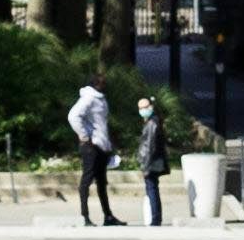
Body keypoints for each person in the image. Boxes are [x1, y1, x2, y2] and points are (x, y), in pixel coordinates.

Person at [70, 81, 124, 227]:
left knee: (101, 183)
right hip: (91, 147)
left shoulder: (100, 98)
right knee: (86, 181)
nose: (104, 83)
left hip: (101, 147)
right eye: (100, 81)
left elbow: (101, 125)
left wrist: (108, 145)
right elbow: (73, 116)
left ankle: (108, 216)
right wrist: (84, 135)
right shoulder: (89, 98)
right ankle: (85, 216)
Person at [137, 94, 169, 225]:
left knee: (152, 189)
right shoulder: (155, 121)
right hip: (154, 161)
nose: (142, 110)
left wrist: (146, 165)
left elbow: (150, 146)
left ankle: (155, 218)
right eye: (140, 108)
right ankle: (156, 217)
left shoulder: (152, 123)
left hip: (151, 162)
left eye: (145, 107)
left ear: (151, 107)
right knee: (153, 188)